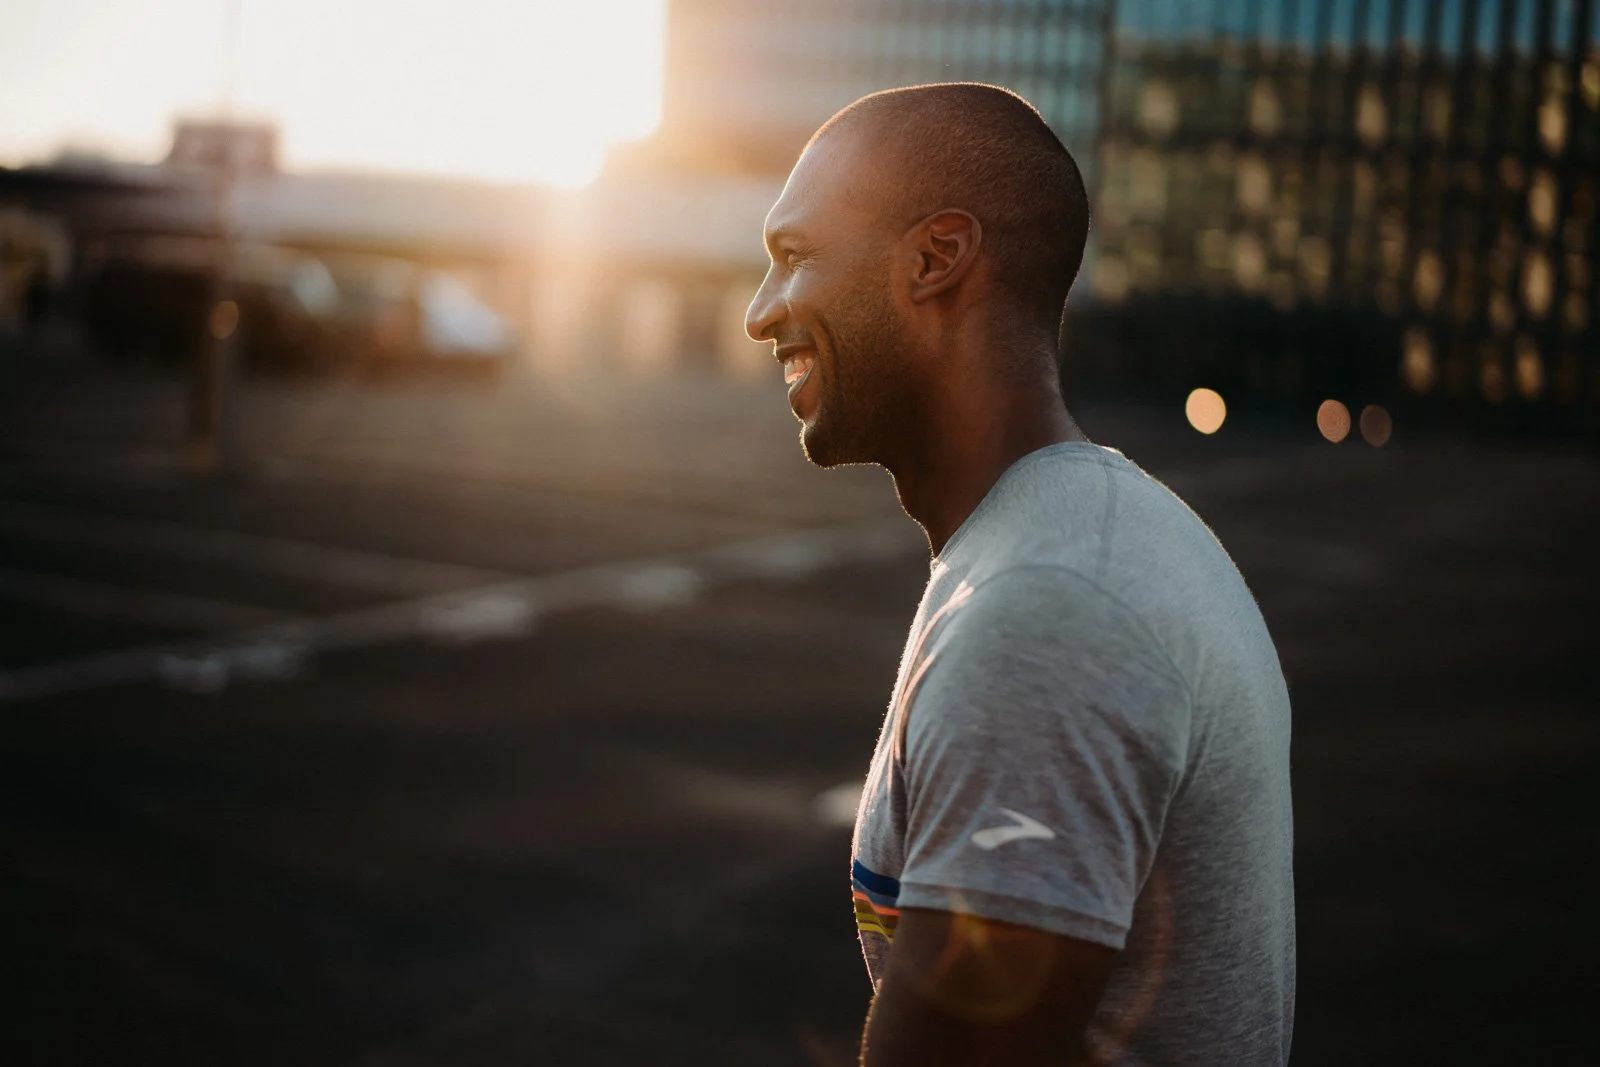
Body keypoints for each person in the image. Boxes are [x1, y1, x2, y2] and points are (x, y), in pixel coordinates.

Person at [745, 84, 1295, 1066]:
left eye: (794, 257)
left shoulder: (1050, 613)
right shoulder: (1074, 539)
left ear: (936, 257)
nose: (759, 314)